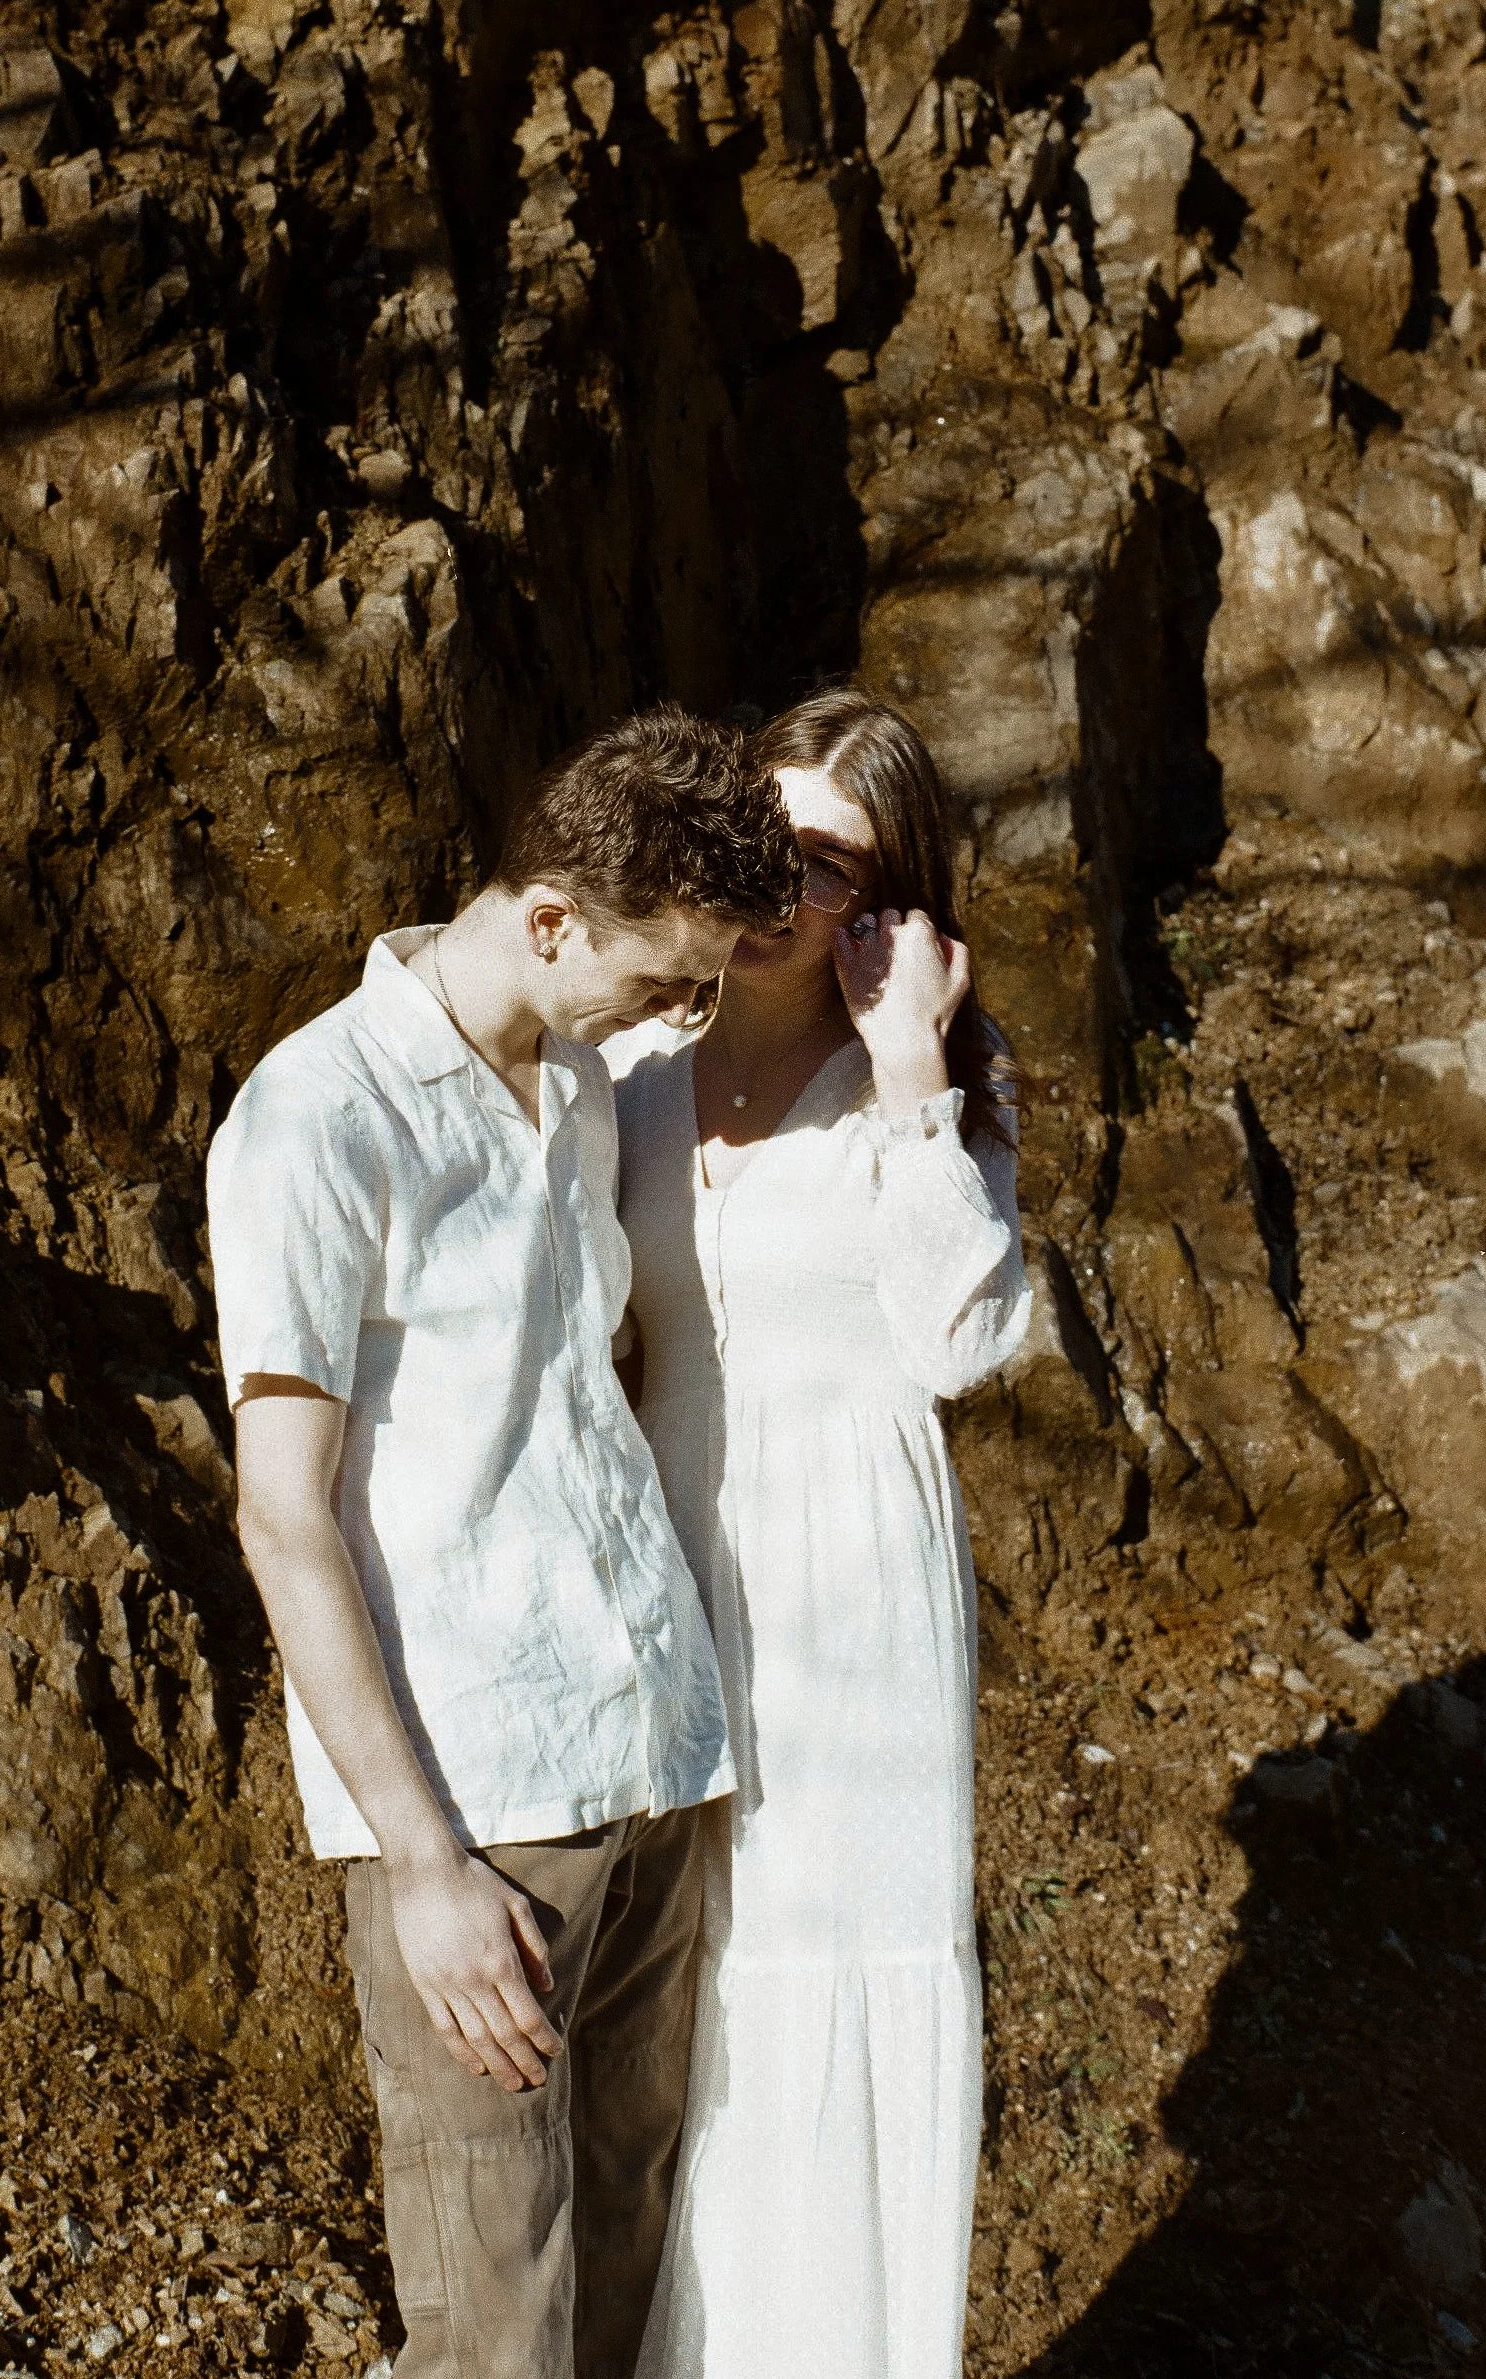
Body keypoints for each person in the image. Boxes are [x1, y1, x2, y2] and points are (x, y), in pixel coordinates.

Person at [206, 706, 802, 2379]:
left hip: (653, 1765)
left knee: (622, 2300)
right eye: (658, 979)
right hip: (486, 1822)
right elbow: (282, 1515)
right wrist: (421, 1860)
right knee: (497, 2341)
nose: (674, 1017)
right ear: (550, 919)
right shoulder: (315, 1119)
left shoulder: (580, 1094)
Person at [610, 685, 1034, 2379]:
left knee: (821, 1993)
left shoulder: (921, 1104)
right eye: (765, 841)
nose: (784, 884)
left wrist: (916, 1055)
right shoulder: (633, 1065)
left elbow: (958, 1342)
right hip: (664, 1572)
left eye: (831, 861)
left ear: (894, 902)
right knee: (685, 2021)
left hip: (850, 1602)